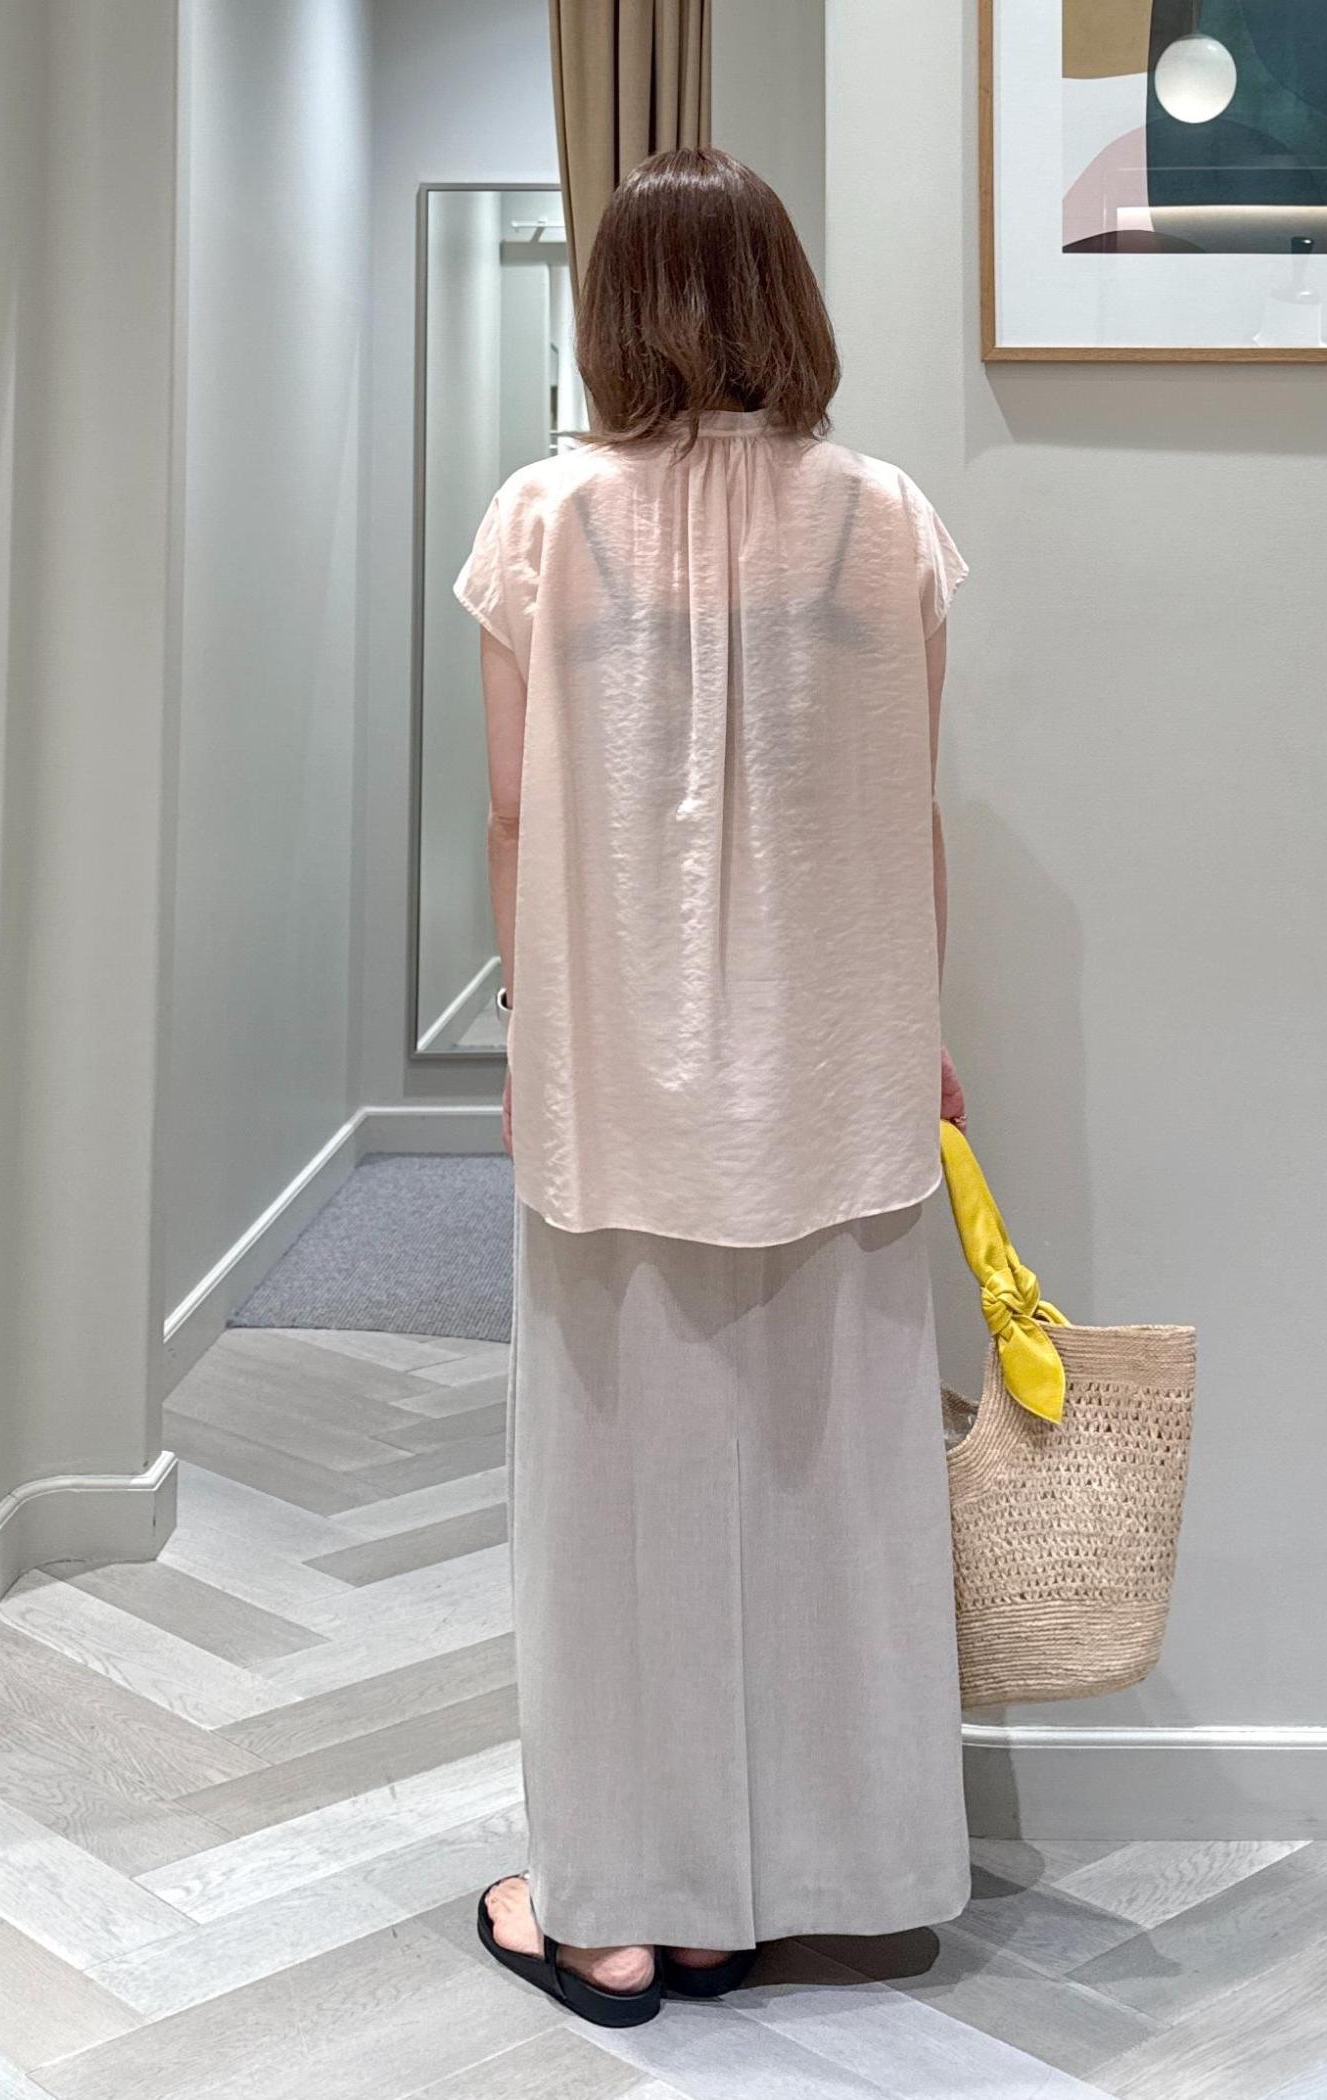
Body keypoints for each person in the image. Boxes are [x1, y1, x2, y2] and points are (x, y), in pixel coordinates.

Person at [455, 145, 971, 2030]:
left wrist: (536, 1028)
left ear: (616, 310)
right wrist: (921, 1037)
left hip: (615, 1077)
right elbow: (906, 808)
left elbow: (516, 817)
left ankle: (611, 1907)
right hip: (838, 1070)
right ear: (785, 298)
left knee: (616, 1500)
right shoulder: (887, 520)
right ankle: (807, 1878)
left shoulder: (543, 519)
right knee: (830, 1489)